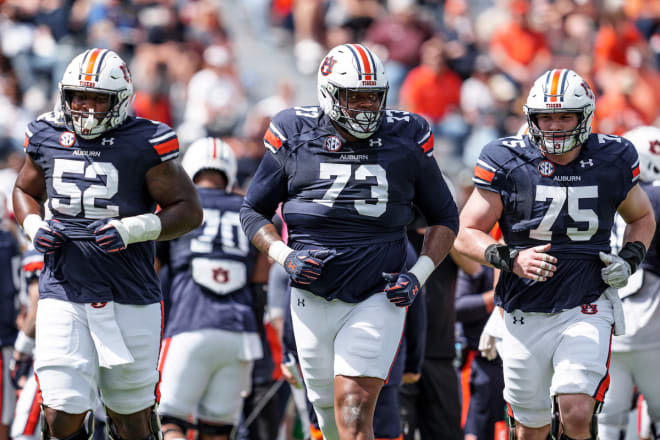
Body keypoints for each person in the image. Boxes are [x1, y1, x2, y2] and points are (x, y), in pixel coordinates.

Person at [239, 43, 459, 440]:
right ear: (328, 93)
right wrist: (284, 255)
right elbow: (252, 211)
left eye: (372, 97)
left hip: (378, 294)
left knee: (354, 409)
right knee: (327, 417)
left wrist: (418, 275)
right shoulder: (293, 132)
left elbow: (445, 217)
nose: (364, 106)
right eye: (353, 96)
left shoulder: (407, 135)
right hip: (311, 297)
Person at [454, 68, 656, 440]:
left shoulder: (612, 157)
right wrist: (511, 258)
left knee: (576, 410)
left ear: (585, 117)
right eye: (546, 117)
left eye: (565, 116)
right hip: (522, 309)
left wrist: (629, 258)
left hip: (586, 303)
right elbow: (464, 233)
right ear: (531, 118)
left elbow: (642, 216)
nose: (555, 126)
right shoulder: (507, 158)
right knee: (531, 429)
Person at [12, 48, 203, 440]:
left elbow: (188, 211)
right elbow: (22, 190)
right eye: (78, 97)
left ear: (120, 100)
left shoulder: (146, 141)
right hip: (63, 287)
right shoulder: (47, 133)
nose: (85, 107)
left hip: (129, 293)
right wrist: (33, 224)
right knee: (60, 412)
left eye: (97, 98)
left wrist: (133, 228)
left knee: (131, 418)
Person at [157, 137, 267, 440]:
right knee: (217, 430)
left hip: (189, 324)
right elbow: (261, 282)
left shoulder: (179, 209)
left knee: (167, 420)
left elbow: (149, 274)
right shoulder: (249, 211)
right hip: (240, 333)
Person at [597, 126, 660, 440]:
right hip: (651, 319)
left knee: (608, 420)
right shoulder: (653, 196)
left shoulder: (602, 188)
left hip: (604, 318)